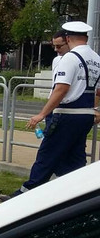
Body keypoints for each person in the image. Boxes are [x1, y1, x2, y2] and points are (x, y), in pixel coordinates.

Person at [11, 21, 100, 197]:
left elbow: (61, 89)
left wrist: (41, 114)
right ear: (86, 38)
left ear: (67, 38)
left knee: (47, 154)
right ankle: (74, 194)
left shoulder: (70, 58)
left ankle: (25, 195)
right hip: (86, 116)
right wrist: (96, 109)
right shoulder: (97, 60)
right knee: (75, 157)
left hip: (67, 114)